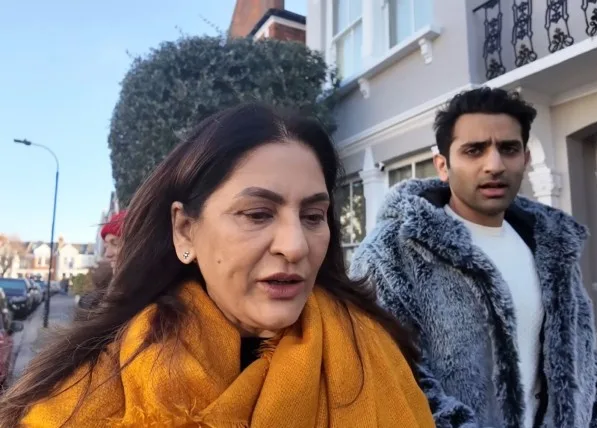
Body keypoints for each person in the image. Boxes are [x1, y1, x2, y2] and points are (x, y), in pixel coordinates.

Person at [0, 104, 435, 427]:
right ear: (185, 230)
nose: (295, 246)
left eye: (312, 216)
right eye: (257, 214)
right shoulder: (85, 392)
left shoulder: (377, 355)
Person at [351, 88, 597, 428]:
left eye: (508, 149)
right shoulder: (392, 252)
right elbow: (392, 381)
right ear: (443, 165)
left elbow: (582, 370)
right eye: (474, 150)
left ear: (525, 159)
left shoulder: (551, 249)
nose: (494, 165)